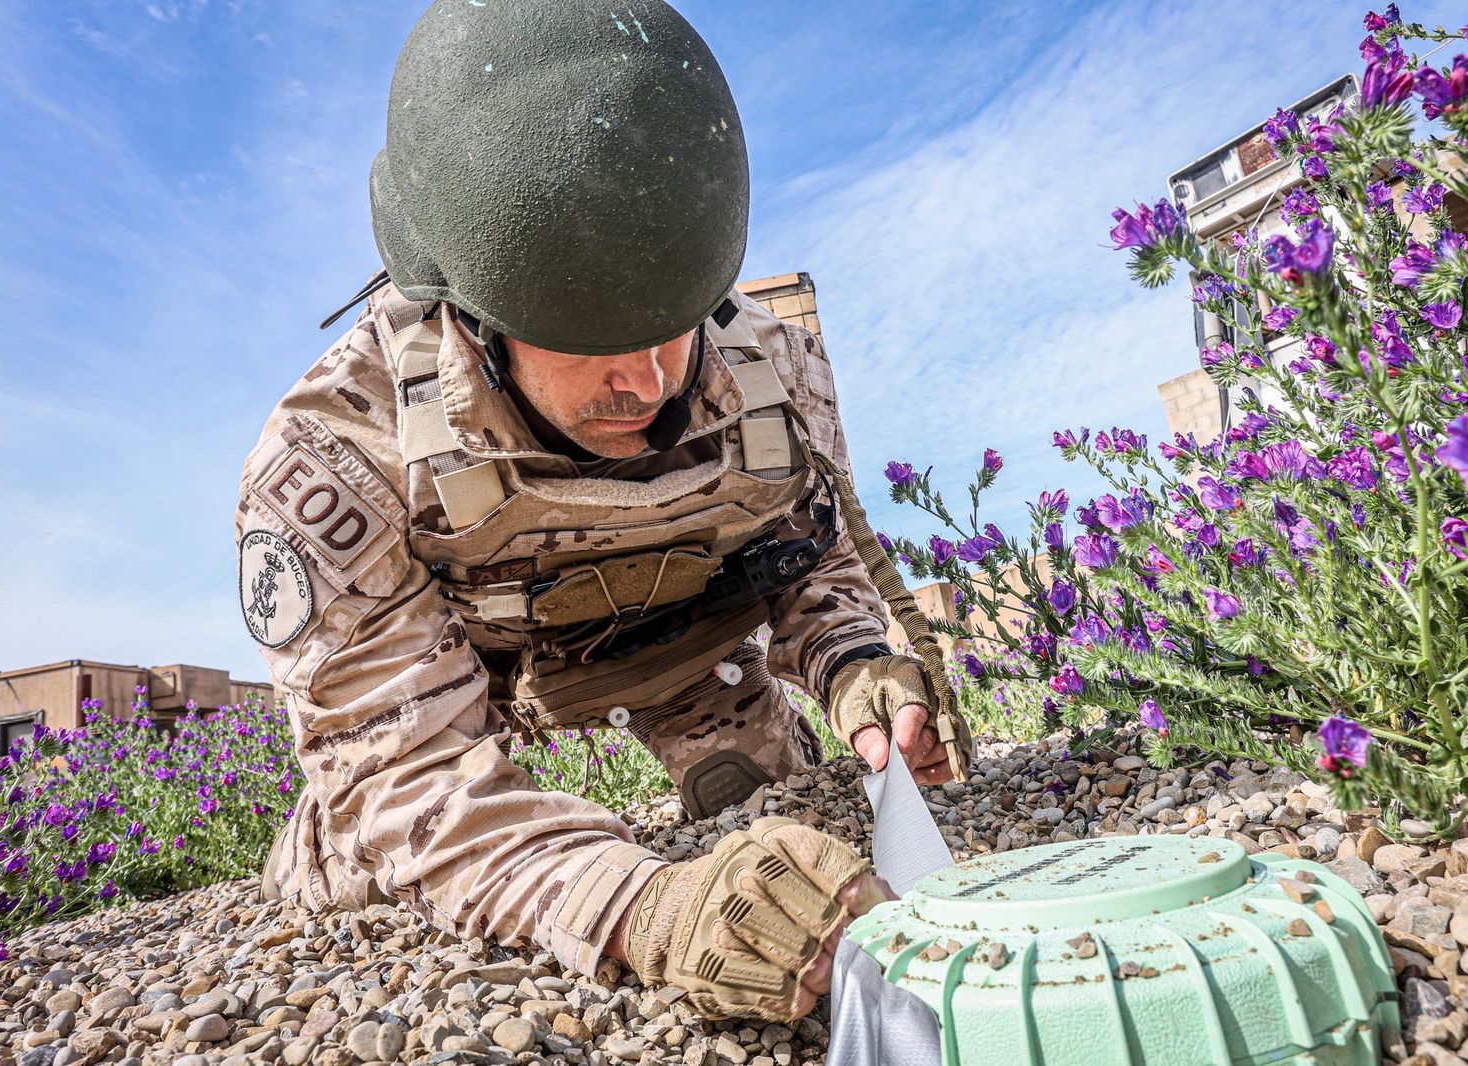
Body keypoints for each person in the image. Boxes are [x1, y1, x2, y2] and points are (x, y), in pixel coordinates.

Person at [236, 0, 971, 1022]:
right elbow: (406, 771)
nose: (644, 380)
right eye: (585, 340)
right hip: (462, 689)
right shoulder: (336, 452)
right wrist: (646, 908)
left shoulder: (773, 364)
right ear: (470, 314)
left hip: (693, 656)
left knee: (766, 811)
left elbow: (815, 566)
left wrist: (856, 670)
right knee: (367, 871)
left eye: (670, 330)